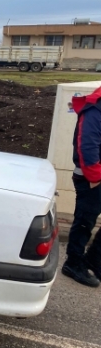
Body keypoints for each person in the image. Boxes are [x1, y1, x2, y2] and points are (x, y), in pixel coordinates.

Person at [64, 88, 101, 287]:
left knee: (88, 218)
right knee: (85, 220)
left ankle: (94, 259)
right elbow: (87, 147)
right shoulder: (94, 110)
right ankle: (73, 262)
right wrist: (95, 177)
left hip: (96, 174)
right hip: (91, 176)